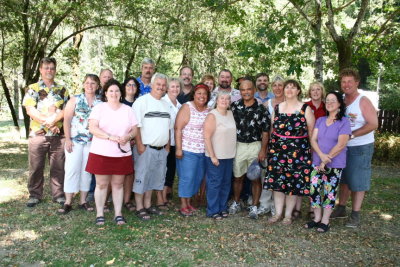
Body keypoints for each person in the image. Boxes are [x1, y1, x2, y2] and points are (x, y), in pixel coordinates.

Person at [330, 68, 378, 228]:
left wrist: (352, 134)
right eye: (343, 81)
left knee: (358, 181)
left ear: (357, 82)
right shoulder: (341, 100)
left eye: (350, 81)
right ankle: (341, 207)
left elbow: (373, 124)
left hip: (360, 147)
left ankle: (355, 214)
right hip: (342, 148)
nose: (346, 84)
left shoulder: (363, 101)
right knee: (344, 178)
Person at [86, 79, 138, 225]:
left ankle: (118, 213)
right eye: (111, 91)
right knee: (101, 184)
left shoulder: (128, 110)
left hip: (121, 153)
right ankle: (100, 213)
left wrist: (128, 136)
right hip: (101, 152)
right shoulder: (99, 108)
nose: (114, 94)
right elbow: (93, 128)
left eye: (116, 91)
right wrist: (110, 137)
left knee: (118, 184)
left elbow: (135, 129)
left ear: (120, 93)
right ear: (105, 93)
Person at [263, 79, 315, 225]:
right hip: (278, 152)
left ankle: (288, 215)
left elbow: (311, 133)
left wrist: (311, 152)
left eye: (293, 88)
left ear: (298, 91)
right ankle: (278, 213)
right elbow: (272, 129)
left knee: (293, 184)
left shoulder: (305, 109)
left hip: (298, 153)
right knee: (278, 184)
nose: (289, 90)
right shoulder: (278, 108)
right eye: (287, 87)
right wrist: (269, 149)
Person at [22, 57, 69, 207]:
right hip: (38, 134)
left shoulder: (62, 89)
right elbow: (30, 110)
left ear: (55, 70)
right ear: (41, 70)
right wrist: (49, 123)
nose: (49, 70)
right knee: (36, 166)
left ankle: (59, 194)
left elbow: (66, 110)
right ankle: (34, 195)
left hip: (58, 135)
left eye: (52, 68)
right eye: (46, 67)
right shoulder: (33, 88)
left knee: (58, 167)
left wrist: (53, 121)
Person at [305, 91, 351, 232]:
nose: (329, 103)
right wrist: (320, 155)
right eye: (328, 100)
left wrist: (325, 160)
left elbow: (341, 144)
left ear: (339, 104)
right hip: (317, 161)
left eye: (333, 100)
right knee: (314, 190)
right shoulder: (320, 120)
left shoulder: (344, 122)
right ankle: (317, 218)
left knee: (329, 192)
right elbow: (313, 139)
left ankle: (325, 221)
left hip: (334, 164)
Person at [58, 74, 102, 214]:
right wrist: (68, 139)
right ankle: (68, 202)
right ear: (83, 84)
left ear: (97, 86)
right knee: (72, 169)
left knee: (87, 171)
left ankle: (83, 201)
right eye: (87, 83)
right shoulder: (75, 99)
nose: (90, 85)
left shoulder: (100, 103)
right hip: (75, 141)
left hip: (92, 143)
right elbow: (67, 120)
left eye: (93, 83)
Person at [132, 73, 172, 220]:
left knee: (154, 178)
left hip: (161, 149)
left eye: (163, 85)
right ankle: (139, 206)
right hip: (146, 148)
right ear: (151, 85)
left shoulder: (166, 104)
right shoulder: (142, 102)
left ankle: (148, 204)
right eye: (158, 84)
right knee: (142, 177)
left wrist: (167, 146)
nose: (160, 88)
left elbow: (168, 127)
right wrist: (140, 146)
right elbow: (136, 126)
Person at [229, 79, 270, 219]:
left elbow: (266, 131)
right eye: (243, 90)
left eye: (248, 89)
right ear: (240, 92)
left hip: (255, 146)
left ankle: (254, 206)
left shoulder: (261, 109)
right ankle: (236, 202)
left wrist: (263, 150)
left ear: (254, 90)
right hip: (239, 145)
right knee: (238, 177)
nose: (246, 92)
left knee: (255, 178)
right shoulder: (234, 107)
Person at [175, 83, 210, 216]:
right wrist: (179, 149)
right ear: (194, 94)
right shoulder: (187, 107)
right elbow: (178, 128)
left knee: (197, 178)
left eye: (204, 94)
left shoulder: (208, 110)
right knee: (187, 178)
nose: (202, 96)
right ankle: (183, 204)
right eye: (199, 93)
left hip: (202, 151)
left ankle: (189, 202)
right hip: (187, 150)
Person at [204, 91, 236, 220]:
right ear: (217, 100)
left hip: (228, 155)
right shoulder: (212, 115)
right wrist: (212, 156)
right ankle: (212, 210)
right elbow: (206, 137)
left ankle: (222, 207)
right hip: (215, 156)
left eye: (227, 99)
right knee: (214, 183)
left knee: (226, 183)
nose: (224, 100)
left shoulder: (230, 114)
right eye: (222, 98)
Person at [157, 78, 182, 208]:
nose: (175, 89)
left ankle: (165, 195)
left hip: (174, 143)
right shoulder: (162, 102)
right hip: (164, 143)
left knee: (171, 170)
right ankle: (160, 198)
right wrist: (167, 144)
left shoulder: (180, 105)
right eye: (172, 86)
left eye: (177, 87)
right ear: (167, 88)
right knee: (163, 170)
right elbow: (164, 125)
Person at [121, 77, 141, 212]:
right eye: (129, 84)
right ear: (124, 87)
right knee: (117, 173)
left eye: (134, 85)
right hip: (120, 142)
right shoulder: (119, 102)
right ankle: (107, 199)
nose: (131, 87)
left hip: (135, 142)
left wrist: (134, 139)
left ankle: (127, 200)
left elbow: (140, 125)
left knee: (130, 173)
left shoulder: (139, 104)